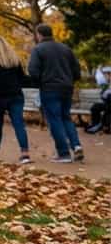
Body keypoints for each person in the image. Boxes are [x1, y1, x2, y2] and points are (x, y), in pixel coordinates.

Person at [27, 23, 83, 163]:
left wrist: (39, 84)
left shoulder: (38, 49)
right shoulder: (65, 48)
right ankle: (76, 145)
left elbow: (33, 71)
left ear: (39, 34)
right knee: (66, 117)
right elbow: (76, 70)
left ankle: (63, 153)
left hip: (49, 89)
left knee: (55, 120)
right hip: (67, 88)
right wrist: (70, 81)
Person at [0, 35, 31, 164]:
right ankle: (25, 153)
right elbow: (22, 77)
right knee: (19, 124)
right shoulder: (14, 59)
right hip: (16, 95)